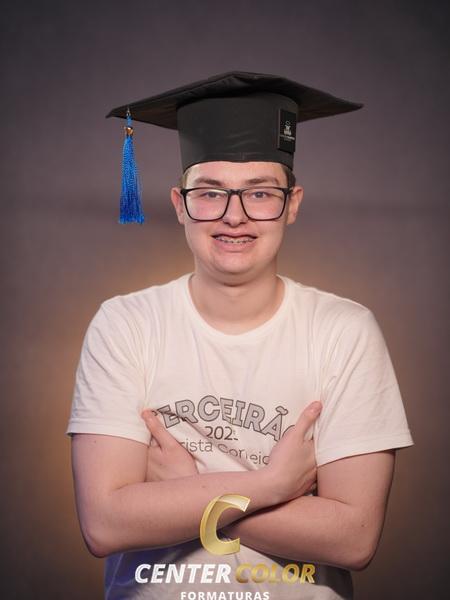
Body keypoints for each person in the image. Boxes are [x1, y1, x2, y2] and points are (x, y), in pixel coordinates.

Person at [66, 71, 414, 600]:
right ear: (179, 204)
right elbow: (105, 524)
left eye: (261, 193)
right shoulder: (125, 325)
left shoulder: (343, 331)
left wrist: (186, 494)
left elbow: (354, 538)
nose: (235, 216)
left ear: (292, 204)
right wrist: (270, 487)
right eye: (210, 193)